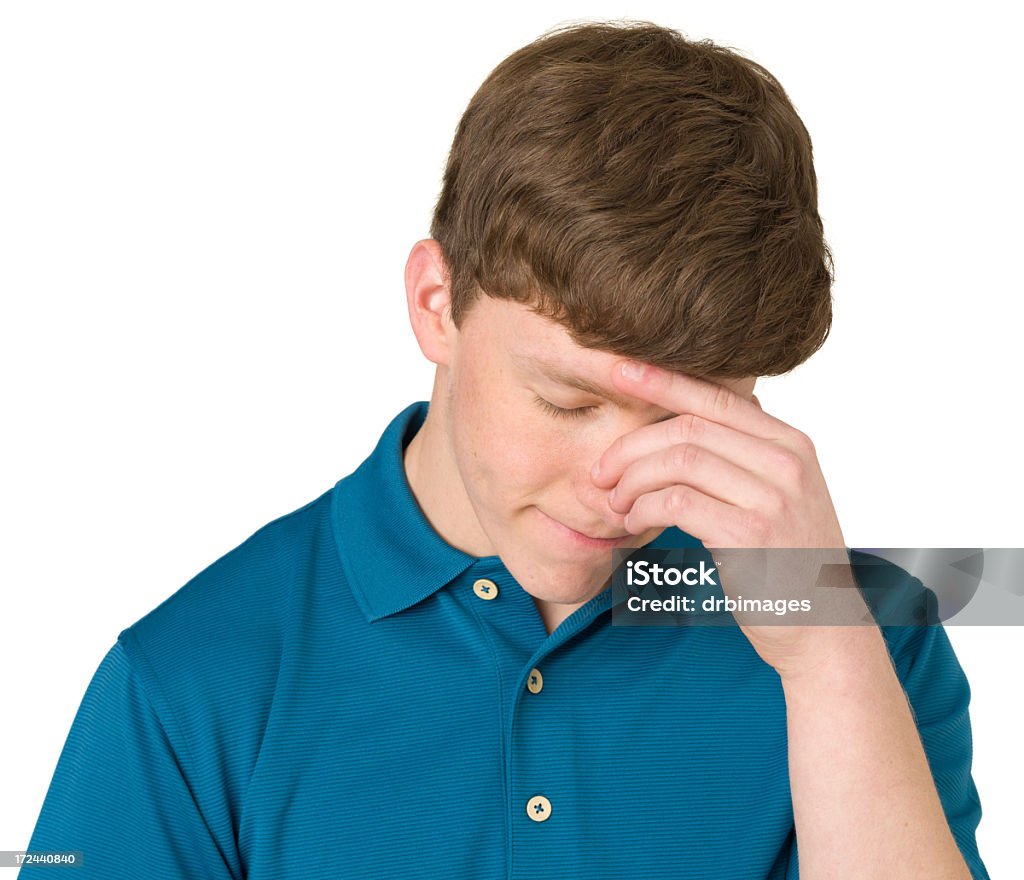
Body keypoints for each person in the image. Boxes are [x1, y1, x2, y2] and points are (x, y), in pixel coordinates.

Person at [19, 20, 989, 879]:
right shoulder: (190, 683)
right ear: (437, 304)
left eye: (687, 423)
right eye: (567, 401)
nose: (621, 492)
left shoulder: (867, 642)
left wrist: (826, 659)